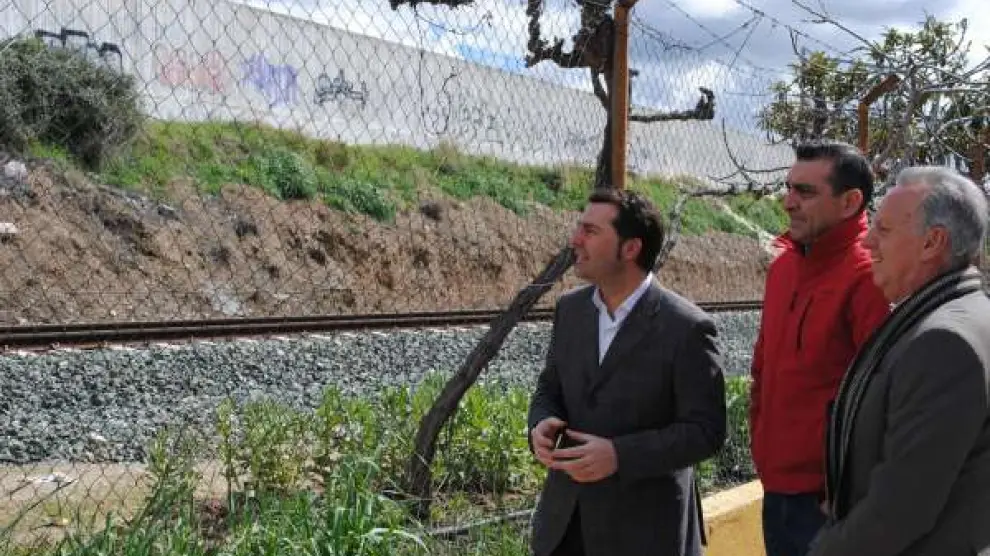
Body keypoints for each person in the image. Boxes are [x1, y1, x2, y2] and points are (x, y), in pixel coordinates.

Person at [527, 188, 727, 556]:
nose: (575, 240)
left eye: (590, 231)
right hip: (564, 527)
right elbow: (549, 388)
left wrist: (619, 455)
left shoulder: (687, 328)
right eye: (579, 227)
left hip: (645, 534)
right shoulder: (570, 310)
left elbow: (705, 431)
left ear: (631, 248)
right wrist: (540, 423)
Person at [810, 166, 990, 556]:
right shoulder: (960, 314)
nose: (867, 242)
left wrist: (826, 550)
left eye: (884, 230)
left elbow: (901, 509)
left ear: (932, 242)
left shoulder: (943, 342)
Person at [749, 140, 891, 556]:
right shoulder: (784, 268)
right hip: (778, 490)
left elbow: (886, 398)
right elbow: (762, 369)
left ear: (850, 202)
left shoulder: (871, 277)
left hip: (831, 505)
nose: (788, 202)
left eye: (805, 192)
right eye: (789, 188)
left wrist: (847, 490)